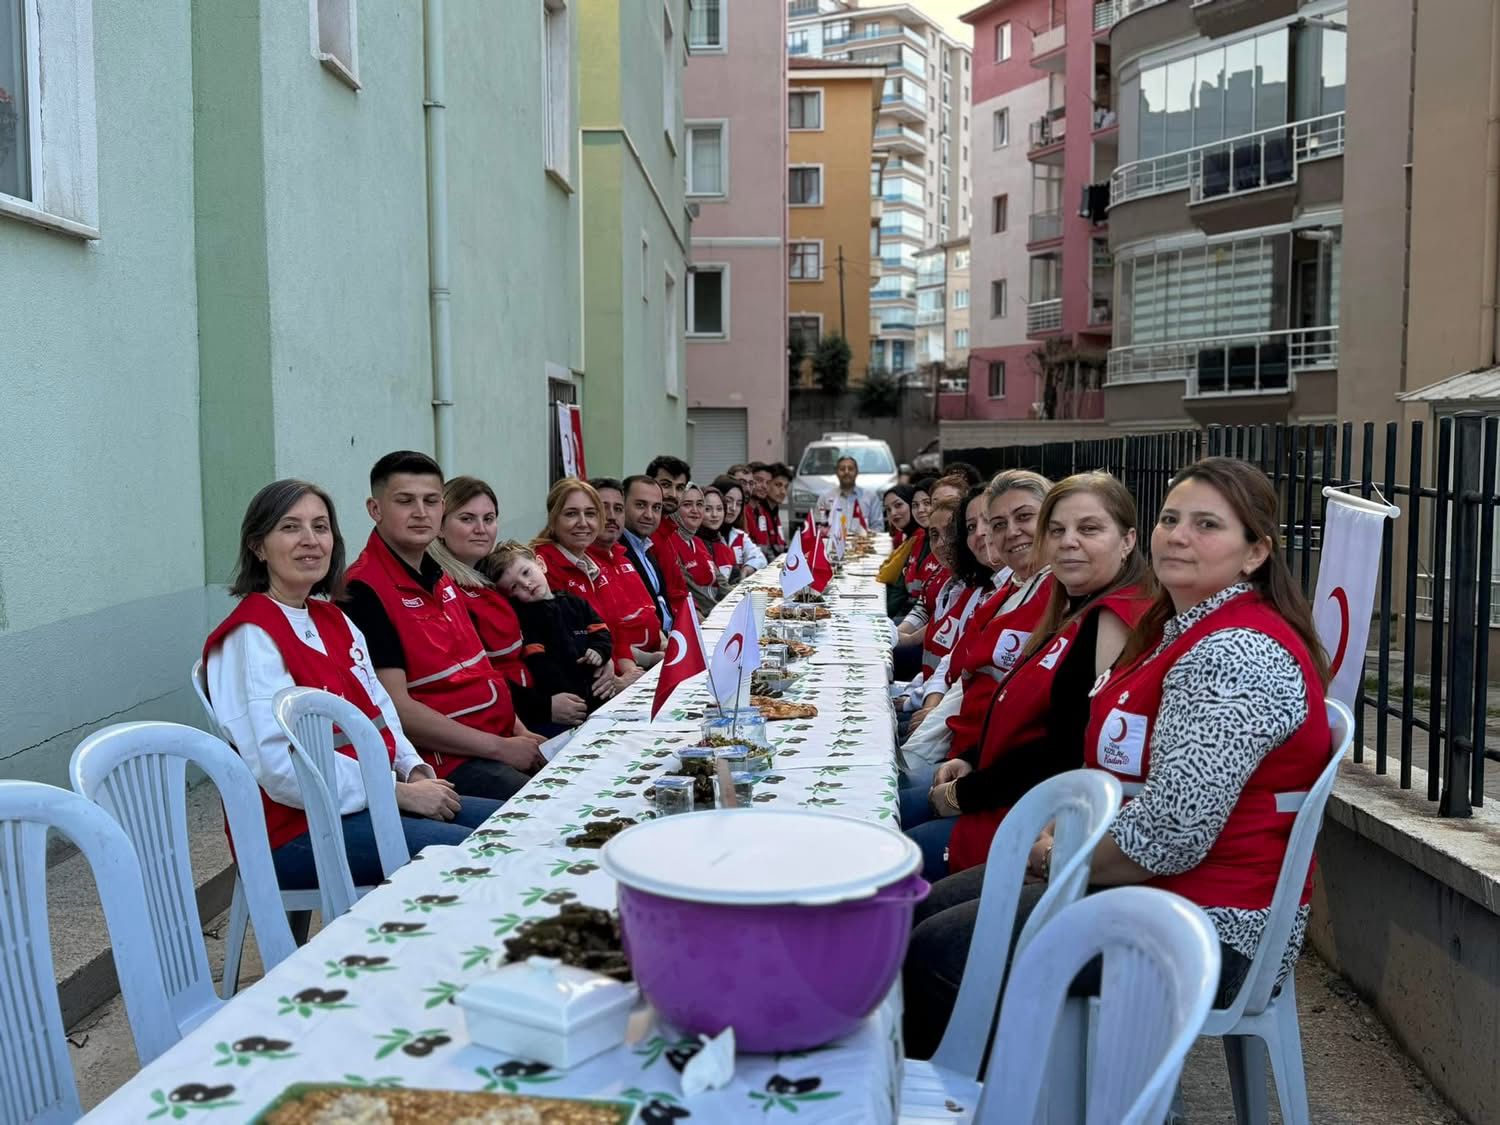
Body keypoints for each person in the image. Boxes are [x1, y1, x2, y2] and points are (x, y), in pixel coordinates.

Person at [903, 458, 1333, 1057]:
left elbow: (1169, 835)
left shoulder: (1235, 653)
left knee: (939, 951)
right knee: (930, 911)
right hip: (1156, 893)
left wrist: (1061, 857)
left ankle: (977, 1102)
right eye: (1171, 518)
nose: (1179, 535)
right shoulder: (1182, 626)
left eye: (1207, 525)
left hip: (1208, 927)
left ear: (1255, 553)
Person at [204, 480, 502, 891]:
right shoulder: (250, 637)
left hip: (368, 803)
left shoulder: (333, 618)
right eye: (291, 528)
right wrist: (394, 793)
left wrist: (412, 770)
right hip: (295, 832)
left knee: (515, 824)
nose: (311, 541)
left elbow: (380, 710)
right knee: (481, 858)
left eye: (321, 527)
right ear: (258, 546)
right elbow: (278, 768)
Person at [904, 472, 1155, 881]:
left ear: (1127, 540)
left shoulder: (1113, 618)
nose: (1068, 541)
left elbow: (1068, 752)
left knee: (894, 855)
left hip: (1036, 823)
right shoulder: (1071, 606)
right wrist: (970, 761)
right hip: (1005, 795)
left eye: (1088, 528)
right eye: (1057, 530)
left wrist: (961, 794)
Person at [344, 452, 545, 802]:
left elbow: (481, 669)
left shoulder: (441, 576)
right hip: (447, 764)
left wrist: (521, 733)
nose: (421, 512)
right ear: (375, 509)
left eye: (431, 501)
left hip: (497, 740)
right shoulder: (363, 590)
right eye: (405, 501)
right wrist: (502, 749)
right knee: (551, 809)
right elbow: (398, 710)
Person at [429, 476, 553, 733]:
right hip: (499, 723)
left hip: (530, 704)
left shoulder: (489, 577)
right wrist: (545, 707)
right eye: (467, 519)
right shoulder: (441, 587)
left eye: (489, 519)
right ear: (440, 527)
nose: (481, 529)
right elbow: (478, 676)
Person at [481, 541, 615, 722]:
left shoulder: (575, 602)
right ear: (510, 597)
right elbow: (539, 664)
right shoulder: (527, 619)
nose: (526, 584)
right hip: (572, 704)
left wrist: (600, 652)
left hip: (603, 692)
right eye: (514, 587)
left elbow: (601, 631)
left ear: (541, 564)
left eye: (526, 572)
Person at [526, 478, 623, 706]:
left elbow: (609, 628)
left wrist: (610, 660)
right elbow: (562, 648)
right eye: (571, 514)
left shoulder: (590, 565)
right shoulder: (540, 568)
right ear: (553, 520)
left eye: (590, 514)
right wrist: (608, 665)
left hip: (602, 678)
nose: (583, 523)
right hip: (575, 696)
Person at [588, 476, 664, 680]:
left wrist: (669, 648)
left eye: (618, 509)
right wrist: (649, 660)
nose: (612, 516)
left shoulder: (621, 557)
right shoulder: (584, 564)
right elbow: (607, 636)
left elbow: (651, 613)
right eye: (604, 508)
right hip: (630, 672)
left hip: (651, 662)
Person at [618, 474, 686, 632]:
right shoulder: (615, 551)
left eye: (656, 507)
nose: (649, 515)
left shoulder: (646, 548)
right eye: (641, 505)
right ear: (622, 506)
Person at [656, 481, 721, 616]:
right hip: (702, 616)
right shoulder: (670, 541)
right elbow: (691, 590)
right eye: (687, 505)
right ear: (676, 509)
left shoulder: (697, 541)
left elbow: (721, 581)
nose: (695, 510)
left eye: (699, 504)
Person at [816, 455, 884, 541]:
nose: (846, 472)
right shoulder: (825, 498)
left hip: (862, 547)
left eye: (850, 469)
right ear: (836, 472)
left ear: (857, 472)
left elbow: (878, 528)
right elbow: (818, 527)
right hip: (832, 546)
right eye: (842, 469)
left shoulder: (870, 497)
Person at [711, 476, 767, 576]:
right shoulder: (703, 538)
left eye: (739, 503)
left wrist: (746, 570)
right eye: (728, 501)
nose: (733, 508)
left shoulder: (739, 535)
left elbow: (760, 558)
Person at [879, 485, 919, 620]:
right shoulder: (910, 536)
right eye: (888, 510)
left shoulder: (919, 537)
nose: (893, 513)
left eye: (898, 505)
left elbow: (886, 575)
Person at [697, 486, 743, 584]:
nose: (715, 514)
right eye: (708, 509)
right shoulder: (691, 544)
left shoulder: (724, 547)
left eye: (719, 509)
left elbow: (736, 581)